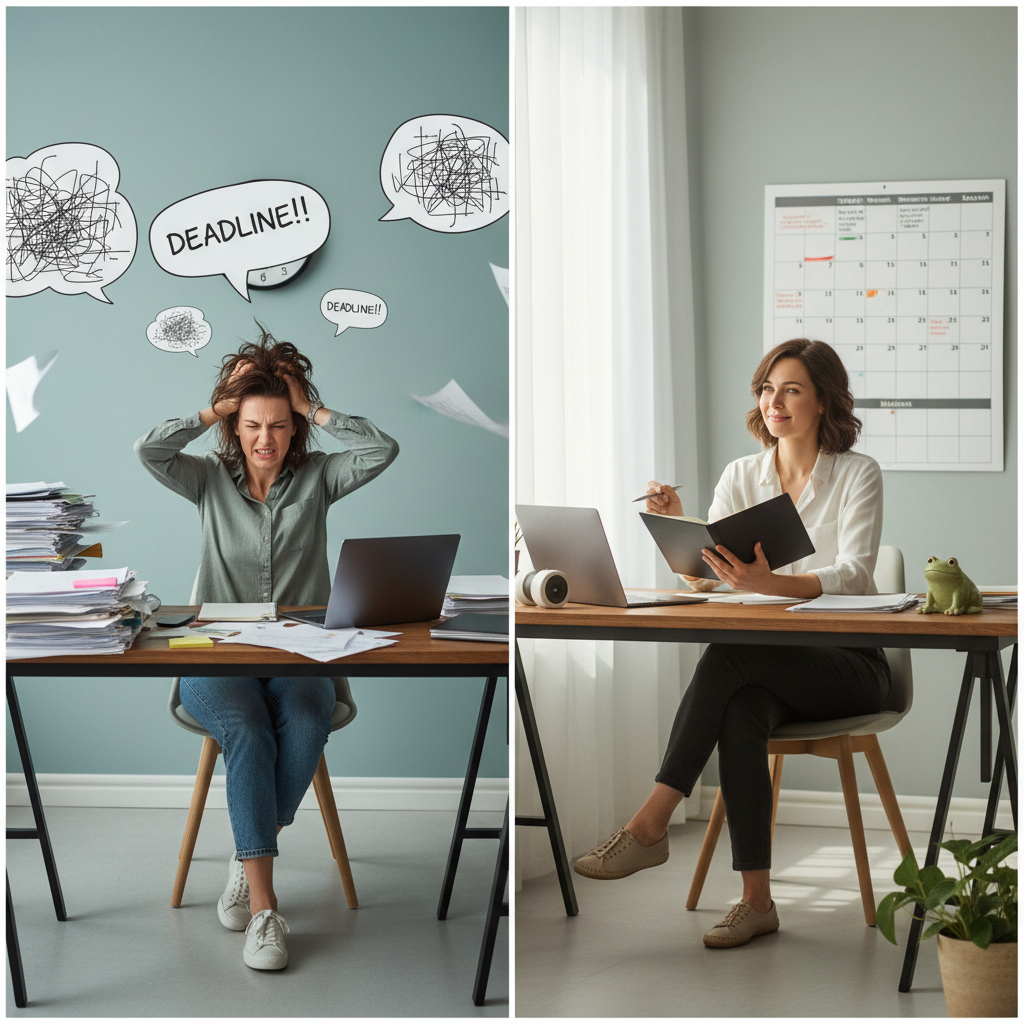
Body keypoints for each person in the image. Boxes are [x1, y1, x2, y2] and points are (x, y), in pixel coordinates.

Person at [573, 338, 891, 949]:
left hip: (851, 662)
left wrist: (770, 582)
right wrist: (684, 524)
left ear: (824, 400)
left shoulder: (858, 473)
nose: (776, 401)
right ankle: (757, 902)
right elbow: (701, 576)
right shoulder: (742, 475)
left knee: (728, 655)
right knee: (740, 710)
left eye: (792, 389)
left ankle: (651, 821)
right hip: (769, 667)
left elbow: (854, 572)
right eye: (768, 389)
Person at [135, 324, 399, 970]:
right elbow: (150, 450)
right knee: (249, 731)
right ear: (234, 426)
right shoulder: (206, 480)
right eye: (252, 425)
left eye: (280, 426)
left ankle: (247, 849)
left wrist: (313, 405)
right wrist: (213, 408)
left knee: (307, 719)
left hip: (301, 653)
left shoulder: (319, 478)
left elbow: (381, 449)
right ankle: (263, 908)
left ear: (296, 428)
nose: (265, 440)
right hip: (215, 651)